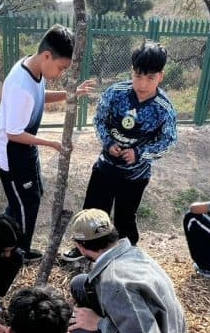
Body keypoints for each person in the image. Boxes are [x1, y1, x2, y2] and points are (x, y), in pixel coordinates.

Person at [61, 41, 177, 262]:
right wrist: (107, 143)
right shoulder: (116, 93)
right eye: (137, 76)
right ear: (132, 71)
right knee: (93, 211)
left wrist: (139, 153)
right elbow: (99, 120)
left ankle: (126, 255)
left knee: (125, 218)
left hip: (135, 176)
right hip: (105, 168)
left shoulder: (164, 108)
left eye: (150, 78)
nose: (142, 84)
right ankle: (84, 249)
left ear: (160, 77)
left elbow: (168, 141)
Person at [0, 24, 96, 264]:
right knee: (24, 203)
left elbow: (40, 95)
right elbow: (13, 133)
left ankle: (2, 240)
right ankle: (19, 254)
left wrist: (71, 94)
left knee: (32, 196)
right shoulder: (20, 86)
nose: (60, 74)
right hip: (12, 153)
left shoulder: (33, 67)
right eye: (61, 68)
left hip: (25, 148)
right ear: (47, 56)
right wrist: (51, 143)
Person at [65, 209, 185, 333]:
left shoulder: (114, 283)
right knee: (80, 284)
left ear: (80, 246)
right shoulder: (131, 252)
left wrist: (99, 323)